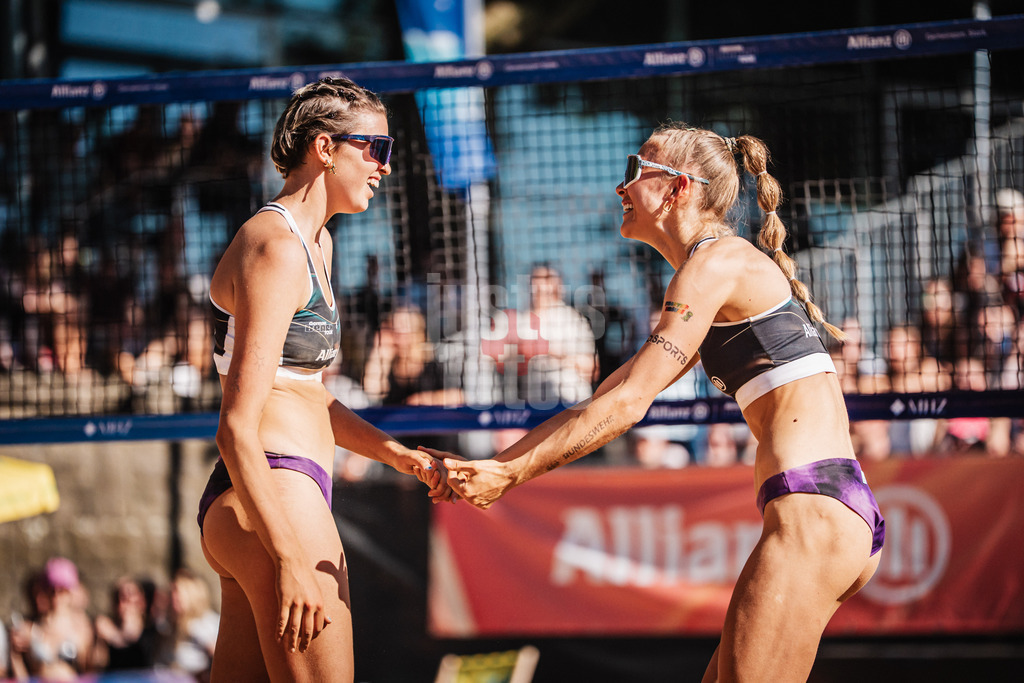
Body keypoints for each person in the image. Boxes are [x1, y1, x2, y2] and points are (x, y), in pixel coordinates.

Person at [435, 123, 884, 683]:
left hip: (813, 509)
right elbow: (601, 402)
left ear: (679, 188)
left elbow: (628, 406)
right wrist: (499, 467)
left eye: (634, 170)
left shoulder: (716, 263)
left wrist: (509, 474)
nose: (620, 188)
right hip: (825, 506)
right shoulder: (709, 274)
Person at [197, 76, 450, 683]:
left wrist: (398, 456)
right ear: (325, 147)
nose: (385, 167)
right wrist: (288, 554)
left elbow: (307, 393)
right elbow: (235, 426)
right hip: (276, 494)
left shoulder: (318, 244)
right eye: (376, 149)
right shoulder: (276, 246)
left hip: (264, 492)